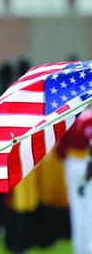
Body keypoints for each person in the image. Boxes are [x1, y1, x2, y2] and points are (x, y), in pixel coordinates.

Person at [57, 108, 92, 254]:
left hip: (74, 163)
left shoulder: (72, 120)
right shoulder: (86, 119)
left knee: (78, 211)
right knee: (89, 209)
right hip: (87, 164)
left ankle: (80, 248)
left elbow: (60, 149)